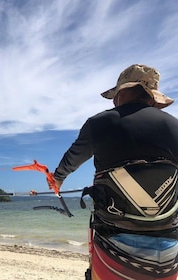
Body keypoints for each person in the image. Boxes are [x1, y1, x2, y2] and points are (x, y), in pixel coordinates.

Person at [52, 64, 178, 280]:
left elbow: (71, 160)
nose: (113, 101)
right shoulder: (174, 126)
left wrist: (57, 179)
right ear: (151, 97)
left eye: (116, 94)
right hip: (169, 250)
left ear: (124, 92)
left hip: (114, 246)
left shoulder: (99, 123)